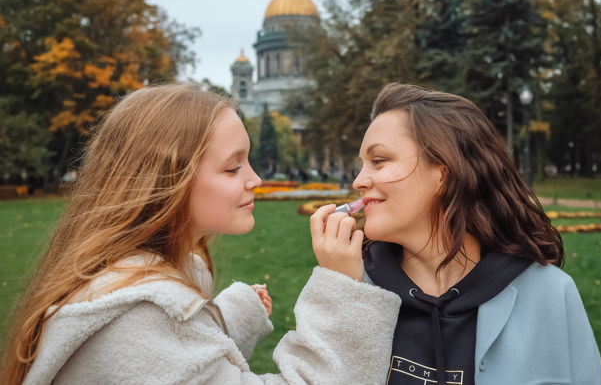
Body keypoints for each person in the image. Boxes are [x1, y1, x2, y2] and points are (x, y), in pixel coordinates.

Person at [1, 84, 401, 384]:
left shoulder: (131, 290)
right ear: (166, 181)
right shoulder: (136, 317)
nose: (256, 180)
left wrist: (225, 319)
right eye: (233, 168)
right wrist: (343, 290)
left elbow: (171, 366)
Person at [355, 83, 601, 385]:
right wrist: (342, 295)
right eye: (362, 165)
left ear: (444, 173)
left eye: (379, 161)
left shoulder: (550, 294)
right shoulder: (354, 289)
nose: (359, 181)